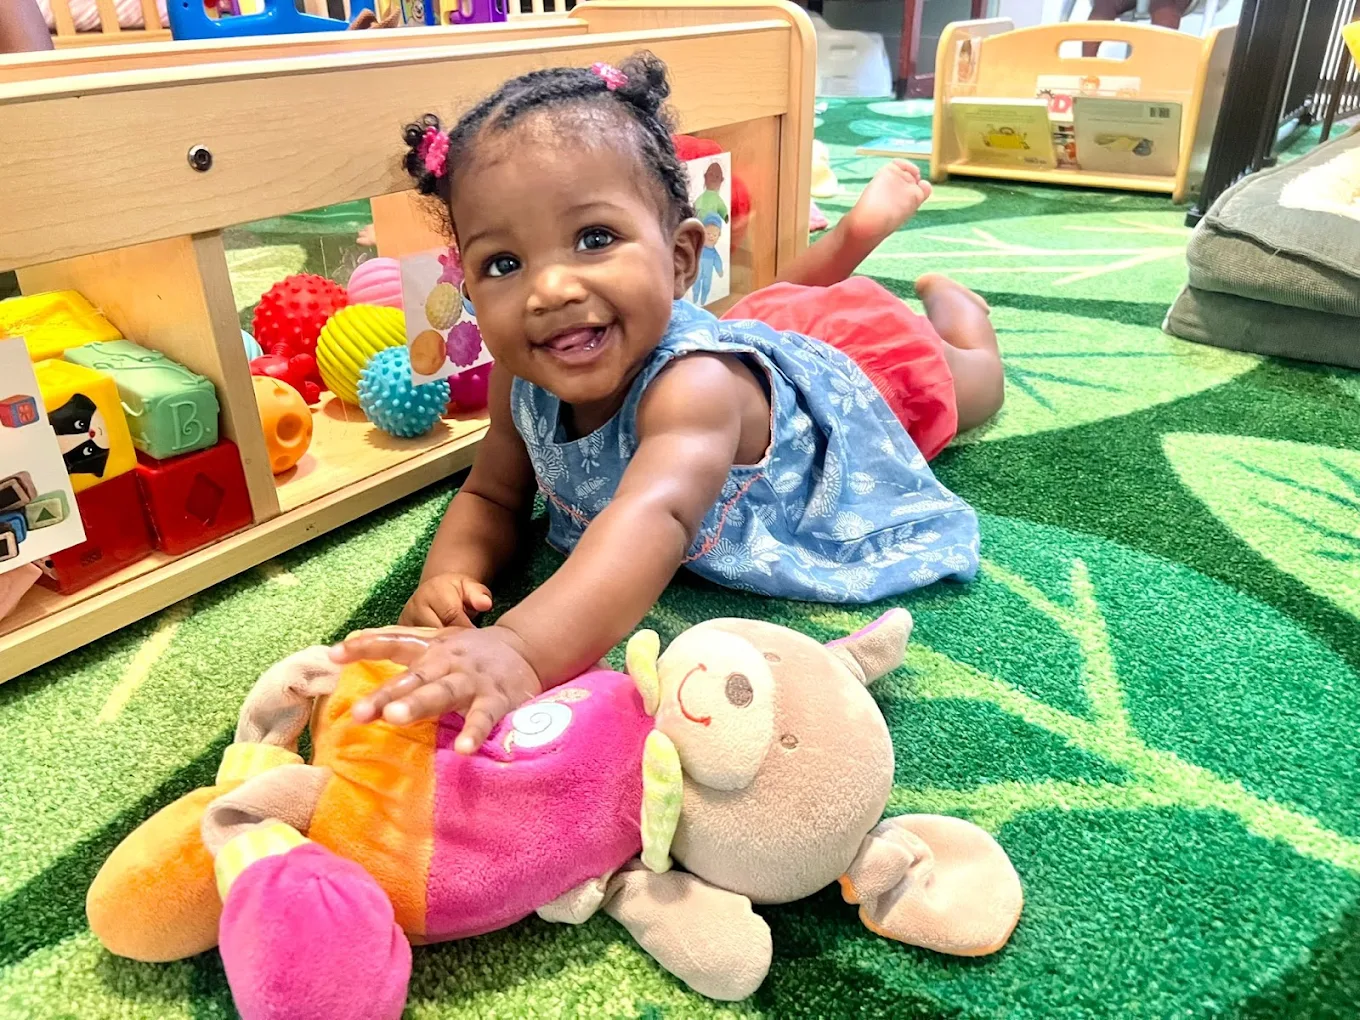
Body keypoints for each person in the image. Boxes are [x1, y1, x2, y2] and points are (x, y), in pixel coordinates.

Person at [331, 53, 1004, 753]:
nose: (550, 289)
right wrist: (449, 575)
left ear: (682, 258)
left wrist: (522, 649)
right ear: (469, 289)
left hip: (855, 383)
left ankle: (959, 311)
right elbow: (493, 496)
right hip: (752, 334)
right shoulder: (522, 374)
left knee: (971, 385)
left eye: (594, 239)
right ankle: (847, 250)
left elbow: (657, 514)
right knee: (768, 310)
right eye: (504, 263)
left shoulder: (696, 387)